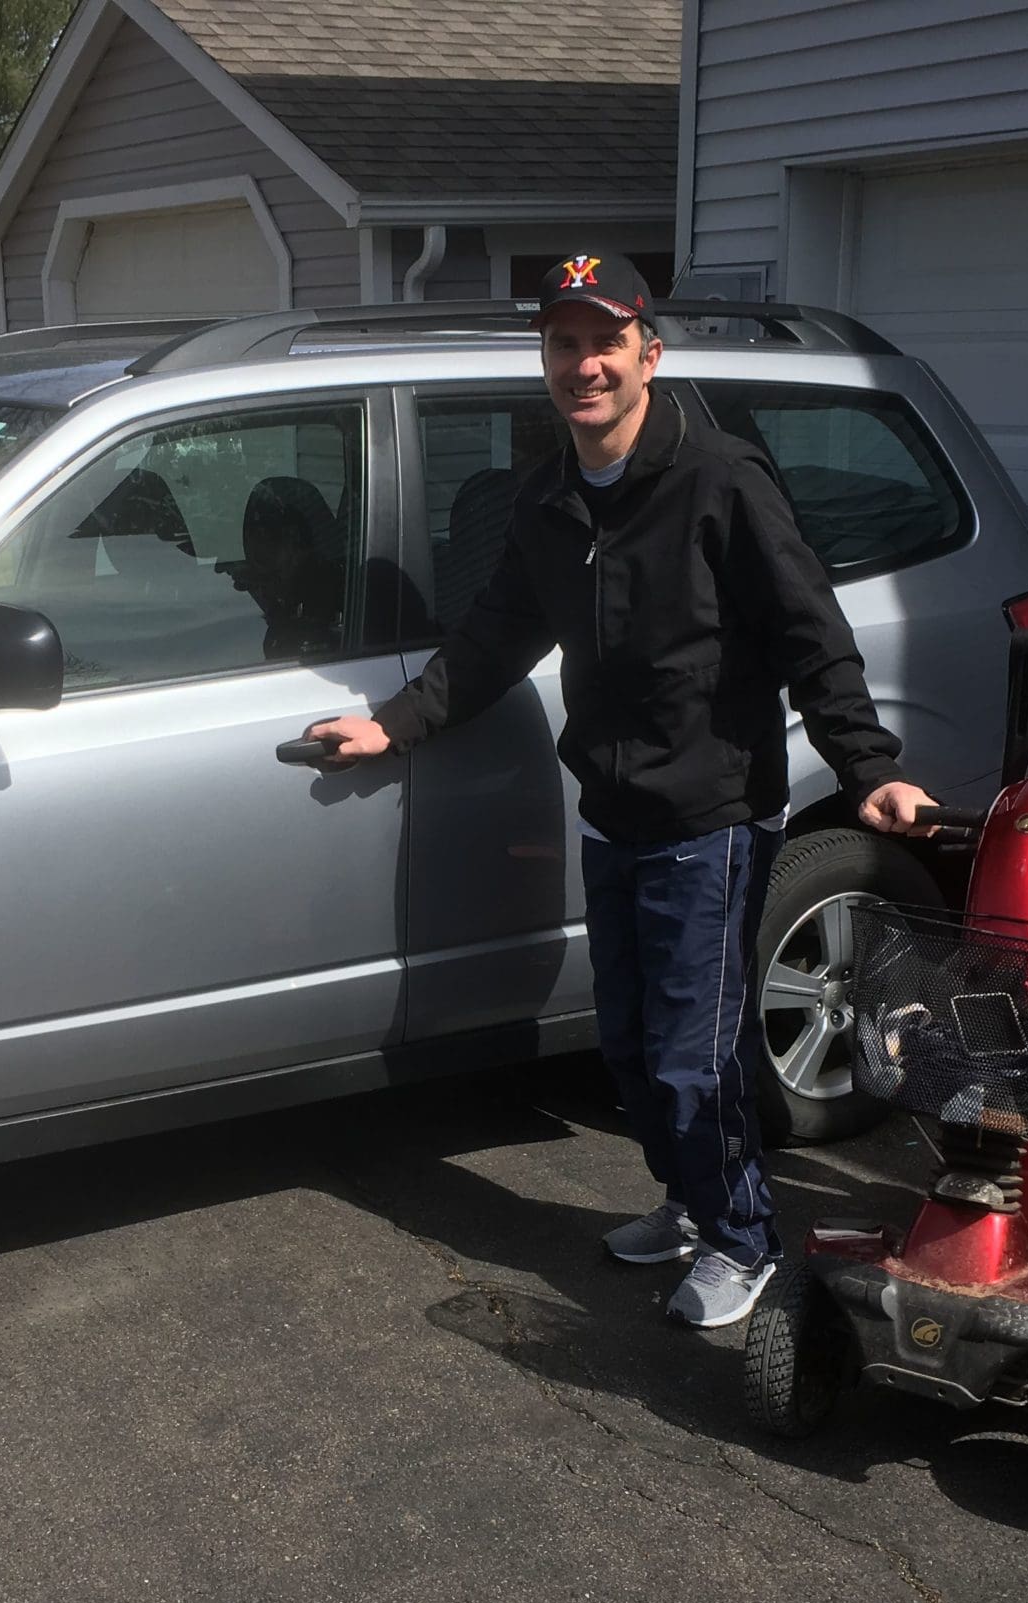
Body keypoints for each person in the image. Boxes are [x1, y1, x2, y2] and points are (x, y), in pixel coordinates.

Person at [298, 250, 936, 1329]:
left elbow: (808, 631)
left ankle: (743, 1239)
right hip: (613, 809)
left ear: (650, 351)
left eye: (605, 341)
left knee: (694, 1056)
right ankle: (689, 1207)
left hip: (712, 815)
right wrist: (392, 723)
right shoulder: (548, 496)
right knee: (632, 1047)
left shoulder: (719, 480)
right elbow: (496, 632)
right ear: (542, 358)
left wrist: (865, 765)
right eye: (562, 343)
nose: (583, 364)